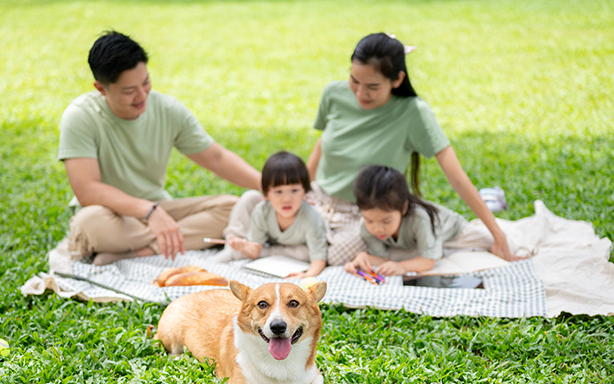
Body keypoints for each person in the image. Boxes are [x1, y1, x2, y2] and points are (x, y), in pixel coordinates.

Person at [306, 32, 519, 265]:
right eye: (354, 80)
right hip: (320, 198)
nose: (360, 93)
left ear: (397, 80)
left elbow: (456, 176)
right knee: (264, 210)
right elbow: (324, 142)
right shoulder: (333, 94)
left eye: (373, 86)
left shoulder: (413, 112)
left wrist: (497, 234)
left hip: (364, 214)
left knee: (336, 254)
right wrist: (302, 189)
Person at [58, 30, 261, 265]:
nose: (142, 95)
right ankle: (156, 242)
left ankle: (138, 251)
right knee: (88, 223)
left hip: (160, 209)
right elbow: (87, 190)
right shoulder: (80, 116)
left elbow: (216, 157)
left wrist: (268, 186)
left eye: (145, 83)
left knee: (232, 208)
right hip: (110, 215)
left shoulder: (168, 109)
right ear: (101, 88)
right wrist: (148, 211)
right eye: (128, 91)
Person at [344, 166, 496, 277]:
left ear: (403, 208)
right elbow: (385, 258)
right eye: (370, 220)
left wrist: (402, 267)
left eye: (386, 221)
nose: (377, 229)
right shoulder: (365, 227)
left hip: (454, 232)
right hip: (419, 243)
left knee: (492, 243)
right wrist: (364, 258)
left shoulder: (419, 218)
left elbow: (429, 261)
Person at [219, 152, 327, 279]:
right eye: (278, 192)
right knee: (248, 198)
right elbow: (254, 250)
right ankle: (233, 251)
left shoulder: (311, 217)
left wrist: (307, 275)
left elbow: (319, 258)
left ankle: (268, 253)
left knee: (306, 254)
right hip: (275, 247)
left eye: (294, 190)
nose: (287, 199)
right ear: (266, 194)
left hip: (301, 247)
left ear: (305, 192)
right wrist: (243, 247)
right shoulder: (262, 211)